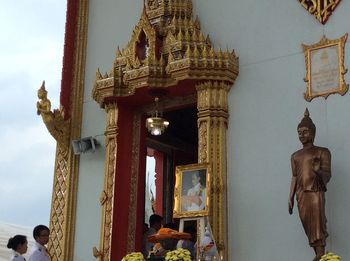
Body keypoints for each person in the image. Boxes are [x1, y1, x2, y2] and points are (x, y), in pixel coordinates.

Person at [288, 109, 331, 261]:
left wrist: (318, 172)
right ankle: (318, 254)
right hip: (301, 194)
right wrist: (290, 197)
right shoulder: (295, 156)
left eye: (305, 131)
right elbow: (294, 176)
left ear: (312, 133)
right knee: (307, 224)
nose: (302, 135)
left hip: (315, 192)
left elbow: (327, 175)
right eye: (299, 132)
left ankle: (321, 254)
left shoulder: (322, 152)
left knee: (318, 223)